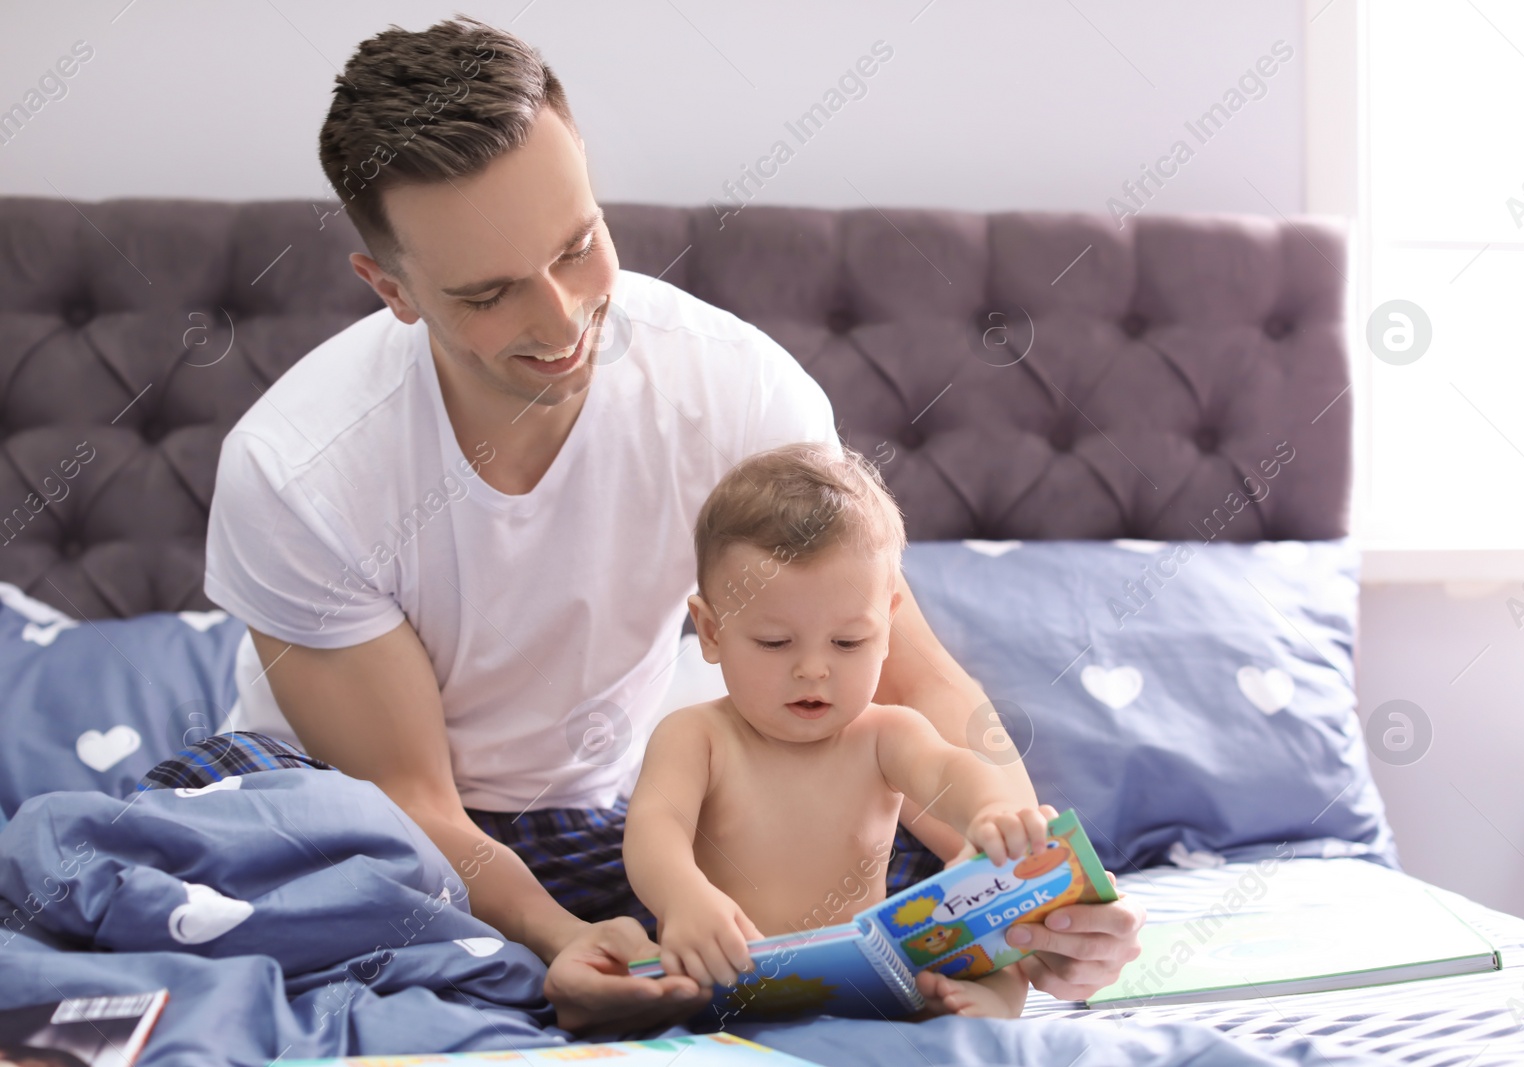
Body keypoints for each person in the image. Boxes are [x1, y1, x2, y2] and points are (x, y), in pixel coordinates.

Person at [165, 15, 1142, 1034]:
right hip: (371, 826)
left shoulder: (735, 392)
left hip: (602, 827)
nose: (559, 319)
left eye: (578, 246)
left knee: (873, 860)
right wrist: (554, 938)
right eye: (490, 293)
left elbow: (905, 675)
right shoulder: (296, 469)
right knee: (206, 872)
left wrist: (1040, 887)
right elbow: (415, 799)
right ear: (393, 291)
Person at [625, 442, 1060, 1018]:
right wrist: (684, 898)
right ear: (710, 631)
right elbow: (654, 831)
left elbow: (949, 770)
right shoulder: (697, 737)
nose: (813, 669)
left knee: (981, 930)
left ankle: (988, 1007)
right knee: (641, 988)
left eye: (849, 642)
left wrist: (991, 813)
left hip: (865, 973)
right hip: (734, 969)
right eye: (775, 643)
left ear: (886, 627)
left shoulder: (887, 735)